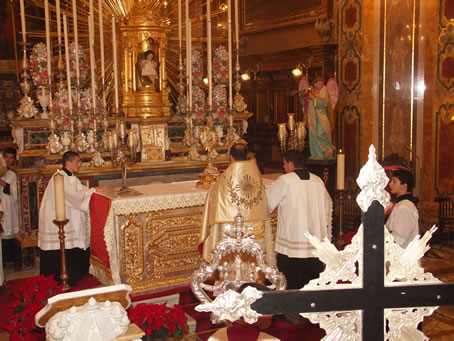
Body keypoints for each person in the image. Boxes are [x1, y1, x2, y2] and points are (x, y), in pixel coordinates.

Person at [265, 150, 332, 289]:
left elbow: (268, 203)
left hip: (292, 246)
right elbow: (328, 206)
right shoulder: (317, 181)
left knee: (291, 285)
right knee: (311, 287)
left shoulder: (285, 180)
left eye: (284, 164)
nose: (284, 167)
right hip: (314, 245)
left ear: (290, 164)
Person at [200, 142, 275, 265]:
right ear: (246, 156)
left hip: (233, 230)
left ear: (231, 157)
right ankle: (255, 280)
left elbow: (214, 195)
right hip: (254, 229)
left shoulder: (227, 176)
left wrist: (213, 186)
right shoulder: (256, 173)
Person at [38, 151, 105, 286]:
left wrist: (93, 191)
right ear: (69, 163)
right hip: (56, 218)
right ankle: (61, 276)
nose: (79, 165)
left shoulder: (70, 177)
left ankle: (76, 273)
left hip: (68, 216)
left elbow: (80, 192)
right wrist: (94, 190)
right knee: (62, 246)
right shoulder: (59, 177)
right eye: (77, 162)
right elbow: (76, 197)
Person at [386, 168, 419, 248]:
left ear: (404, 186)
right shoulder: (401, 204)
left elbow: (400, 238)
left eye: (394, 181)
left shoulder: (404, 207)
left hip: (402, 256)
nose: (390, 184)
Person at [306, 77, 335, 159]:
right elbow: (304, 103)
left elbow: (324, 104)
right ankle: (317, 154)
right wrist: (304, 96)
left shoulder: (324, 92)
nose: (320, 85)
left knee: (320, 133)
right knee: (313, 135)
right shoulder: (310, 91)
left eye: (322, 84)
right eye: (319, 83)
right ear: (314, 84)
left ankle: (328, 150)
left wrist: (313, 99)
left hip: (321, 117)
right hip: (312, 117)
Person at [0, 147, 19, 265]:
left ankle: (10, 259)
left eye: (11, 158)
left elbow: (12, 190)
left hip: (8, 205)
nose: (8, 160)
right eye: (6, 157)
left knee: (9, 230)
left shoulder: (13, 174)